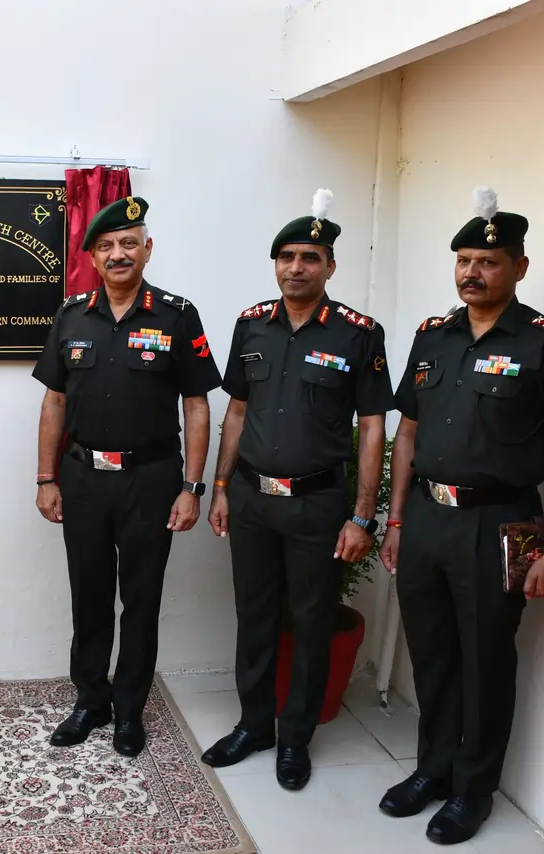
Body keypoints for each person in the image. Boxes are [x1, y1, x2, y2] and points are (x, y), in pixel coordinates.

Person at [377, 187, 544, 844]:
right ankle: (433, 771)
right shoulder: (432, 337)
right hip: (426, 519)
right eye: (465, 259)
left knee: (487, 660)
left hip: (507, 523)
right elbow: (406, 436)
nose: (473, 272)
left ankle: (473, 790)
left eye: (490, 261)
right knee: (433, 655)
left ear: (519, 268)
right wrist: (394, 522)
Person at [201, 190, 393, 790]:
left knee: (311, 620)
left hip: (317, 503)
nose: (296, 267)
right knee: (254, 614)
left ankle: (296, 737)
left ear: (330, 266)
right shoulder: (251, 324)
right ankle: (254, 725)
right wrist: (222, 486)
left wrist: (363, 516)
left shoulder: (360, 334)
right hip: (253, 498)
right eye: (286, 256)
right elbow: (236, 412)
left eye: (310, 256)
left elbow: (372, 427)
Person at [32, 195, 222, 757]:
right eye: (107, 246)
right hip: (84, 478)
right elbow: (53, 403)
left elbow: (198, 406)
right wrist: (46, 478)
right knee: (88, 595)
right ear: (92, 255)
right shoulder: (72, 315)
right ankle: (90, 700)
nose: (119, 254)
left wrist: (192, 487)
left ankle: (128, 708)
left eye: (129, 243)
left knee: (141, 598)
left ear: (147, 249)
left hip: (152, 479)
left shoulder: (176, 315)